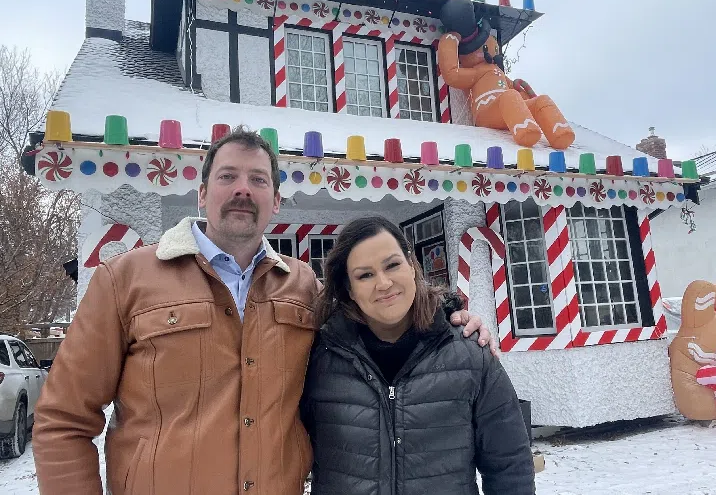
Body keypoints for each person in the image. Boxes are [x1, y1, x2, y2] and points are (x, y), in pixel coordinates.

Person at [33, 127, 497, 495]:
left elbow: (377, 319)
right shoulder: (126, 279)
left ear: (275, 201)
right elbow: (64, 420)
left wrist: (448, 319)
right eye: (228, 176)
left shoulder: (305, 288)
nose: (242, 190)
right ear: (202, 193)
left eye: (258, 180)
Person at [302, 216, 535, 495]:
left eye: (392, 265)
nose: (384, 283)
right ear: (349, 289)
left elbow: (510, 467)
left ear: (412, 266)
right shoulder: (318, 359)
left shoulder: (470, 356)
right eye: (365, 275)